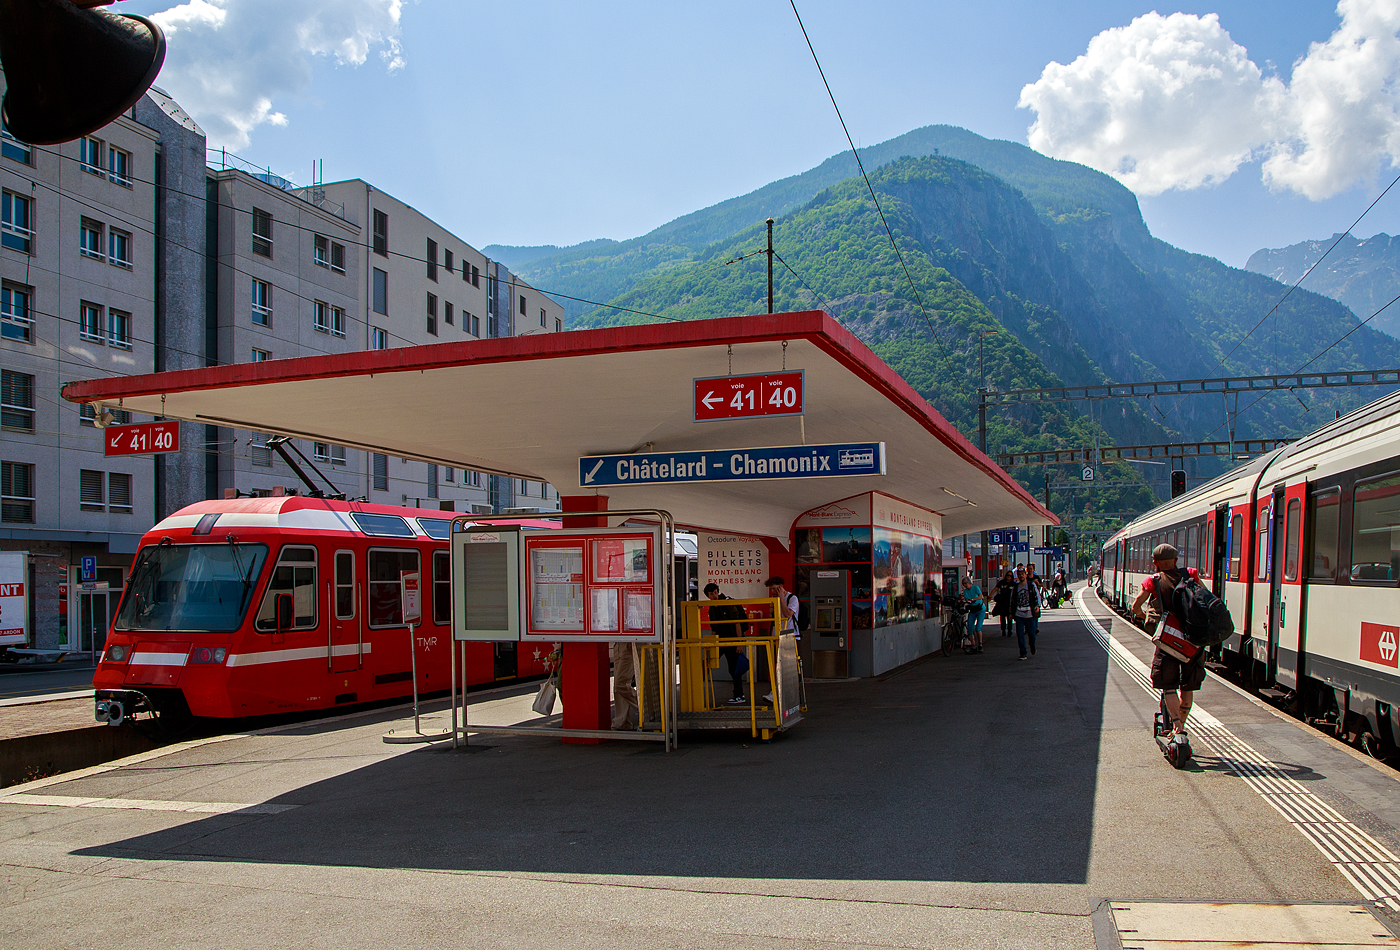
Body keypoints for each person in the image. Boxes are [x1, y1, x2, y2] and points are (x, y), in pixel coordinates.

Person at [1132, 543, 1204, 742]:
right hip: (1193, 642)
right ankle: (1183, 721)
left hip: (1168, 642)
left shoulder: (1152, 581)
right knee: (1187, 687)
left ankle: (1177, 727)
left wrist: (1144, 619)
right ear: (1176, 560)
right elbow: (1206, 599)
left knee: (1169, 685)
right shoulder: (1191, 575)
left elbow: (1136, 606)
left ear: (1154, 563)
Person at [704, 582, 750, 705]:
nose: (714, 595)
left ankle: (739, 695)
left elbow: (737, 623)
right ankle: (738, 695)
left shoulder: (727, 603)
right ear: (708, 596)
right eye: (711, 594)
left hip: (731, 640)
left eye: (715, 592)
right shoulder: (712, 608)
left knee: (734, 669)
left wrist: (739, 643)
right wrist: (711, 643)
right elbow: (713, 628)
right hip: (720, 641)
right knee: (707, 664)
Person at [1013, 566, 1042, 660]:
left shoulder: (1031, 585)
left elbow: (1036, 596)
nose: (1021, 576)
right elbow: (1012, 600)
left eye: (1022, 574)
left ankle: (1032, 645)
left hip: (1029, 613)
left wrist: (1037, 606)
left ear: (1025, 575)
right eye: (1019, 575)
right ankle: (1023, 653)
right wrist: (1011, 612)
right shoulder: (1016, 587)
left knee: (1031, 633)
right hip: (1019, 613)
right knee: (1020, 634)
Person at [610, 641, 637, 730]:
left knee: (621, 683)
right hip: (619, 641)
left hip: (628, 642)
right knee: (618, 686)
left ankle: (643, 708)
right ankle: (621, 721)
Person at [960, 574, 986, 653]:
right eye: (963, 584)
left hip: (980, 609)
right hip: (973, 610)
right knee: (970, 628)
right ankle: (973, 645)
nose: (965, 585)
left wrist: (973, 599)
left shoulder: (975, 588)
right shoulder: (965, 591)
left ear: (969, 582)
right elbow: (966, 599)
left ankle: (980, 644)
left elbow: (981, 596)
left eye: (965, 583)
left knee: (978, 628)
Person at [992, 569, 1016, 637]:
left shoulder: (1013, 584)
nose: (1008, 577)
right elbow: (996, 588)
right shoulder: (1001, 582)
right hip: (1002, 602)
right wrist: (990, 595)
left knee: (1009, 617)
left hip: (1010, 602)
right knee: (1002, 616)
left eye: (1010, 576)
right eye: (1007, 575)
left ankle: (1009, 630)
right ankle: (1003, 630)